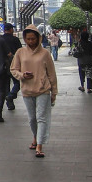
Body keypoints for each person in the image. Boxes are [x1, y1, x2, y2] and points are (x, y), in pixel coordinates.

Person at [11, 25, 58, 158]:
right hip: (27, 90)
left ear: (38, 38)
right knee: (32, 119)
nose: (31, 41)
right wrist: (22, 75)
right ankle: (35, 137)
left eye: (33, 39)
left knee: (41, 117)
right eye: (28, 39)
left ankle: (39, 145)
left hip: (43, 90)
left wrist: (54, 92)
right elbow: (13, 69)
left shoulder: (45, 53)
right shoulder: (20, 52)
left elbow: (51, 73)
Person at [1, 24, 23, 111]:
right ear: (10, 29)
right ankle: (11, 95)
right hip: (15, 64)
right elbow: (20, 51)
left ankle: (9, 103)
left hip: (3, 65)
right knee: (17, 83)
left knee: (6, 84)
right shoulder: (15, 39)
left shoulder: (0, 39)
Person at [75, 29, 92, 94]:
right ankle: (88, 88)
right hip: (89, 61)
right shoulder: (90, 44)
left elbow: (77, 51)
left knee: (81, 73)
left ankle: (82, 86)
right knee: (89, 74)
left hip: (81, 61)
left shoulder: (80, 43)